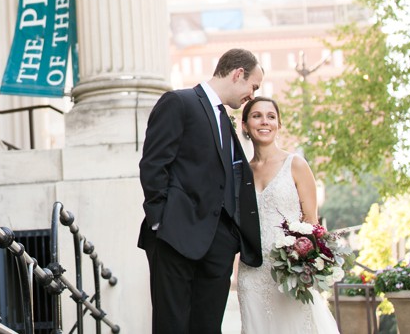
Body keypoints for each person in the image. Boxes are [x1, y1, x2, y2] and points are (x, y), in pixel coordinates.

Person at [138, 48, 264, 333]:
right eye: (253, 86)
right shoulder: (179, 102)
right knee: (172, 326)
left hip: (217, 248)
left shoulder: (224, 119)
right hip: (174, 238)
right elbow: (154, 164)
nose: (252, 95)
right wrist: (161, 222)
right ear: (237, 74)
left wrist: (229, 237)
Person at [236, 96, 339, 333]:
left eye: (271, 117)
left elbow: (312, 223)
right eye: (256, 116)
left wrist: (304, 264)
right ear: (245, 125)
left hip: (290, 273)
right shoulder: (240, 172)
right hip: (251, 273)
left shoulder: (296, 165)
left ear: (279, 125)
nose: (265, 122)